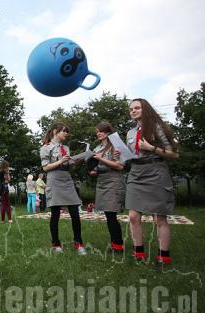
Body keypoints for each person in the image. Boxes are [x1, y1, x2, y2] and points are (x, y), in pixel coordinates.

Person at [125, 98, 179, 266]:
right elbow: (131, 153)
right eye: (131, 109)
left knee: (159, 219)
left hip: (155, 172)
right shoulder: (130, 133)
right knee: (133, 216)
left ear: (145, 109)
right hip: (136, 173)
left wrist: (151, 148)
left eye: (137, 108)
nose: (133, 111)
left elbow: (174, 154)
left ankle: (164, 256)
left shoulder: (157, 127)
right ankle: (138, 253)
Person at [40, 122, 86, 255]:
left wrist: (74, 162)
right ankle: (56, 244)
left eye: (67, 131)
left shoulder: (66, 147)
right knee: (55, 214)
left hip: (67, 179)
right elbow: (45, 167)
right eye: (64, 131)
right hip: (54, 179)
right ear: (55, 131)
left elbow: (66, 164)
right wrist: (61, 161)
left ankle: (78, 243)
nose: (66, 133)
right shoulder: (46, 147)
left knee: (75, 213)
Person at [88, 122, 125, 253]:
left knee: (111, 214)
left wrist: (101, 159)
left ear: (108, 132)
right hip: (101, 181)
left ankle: (118, 245)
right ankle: (115, 243)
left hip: (113, 181)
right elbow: (98, 165)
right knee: (108, 214)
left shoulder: (116, 146)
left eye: (101, 131)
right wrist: (94, 170)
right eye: (97, 131)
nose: (98, 133)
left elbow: (120, 166)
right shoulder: (97, 147)